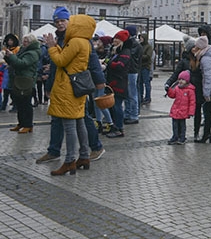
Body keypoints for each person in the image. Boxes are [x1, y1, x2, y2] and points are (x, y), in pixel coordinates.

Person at [44, 14, 95, 176]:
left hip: (67, 87)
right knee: (79, 121)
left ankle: (70, 161)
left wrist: (52, 47)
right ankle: (84, 156)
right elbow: (68, 59)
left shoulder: (75, 41)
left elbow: (60, 61)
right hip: (77, 86)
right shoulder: (85, 42)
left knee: (69, 125)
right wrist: (57, 47)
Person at [4, 33, 41, 133]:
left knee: (26, 104)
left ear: (31, 42)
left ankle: (28, 124)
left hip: (26, 80)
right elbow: (15, 61)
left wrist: (12, 56)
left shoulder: (32, 53)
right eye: (24, 41)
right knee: (19, 103)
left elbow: (22, 63)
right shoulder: (23, 50)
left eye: (26, 41)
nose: (24, 43)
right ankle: (21, 123)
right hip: (19, 79)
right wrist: (8, 57)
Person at [104, 30, 132, 138]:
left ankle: (119, 128)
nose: (115, 40)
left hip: (119, 82)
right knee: (112, 106)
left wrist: (108, 63)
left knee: (117, 106)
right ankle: (114, 126)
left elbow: (120, 66)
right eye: (115, 38)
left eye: (118, 39)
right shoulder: (115, 51)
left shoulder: (125, 52)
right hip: (112, 82)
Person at [166, 70, 196, 145]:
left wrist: (191, 112)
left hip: (183, 111)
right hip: (176, 110)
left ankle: (182, 137)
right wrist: (169, 90)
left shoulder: (190, 90)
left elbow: (192, 102)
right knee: (175, 125)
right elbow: (172, 95)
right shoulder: (177, 88)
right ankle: (175, 136)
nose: (180, 81)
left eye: (183, 79)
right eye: (179, 79)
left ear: (187, 81)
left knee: (182, 125)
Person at [123, 25, 141, 124]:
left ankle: (133, 115)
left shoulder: (133, 44)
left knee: (132, 94)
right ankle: (128, 113)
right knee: (127, 93)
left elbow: (129, 55)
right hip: (130, 70)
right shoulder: (133, 44)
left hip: (132, 71)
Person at [3, 33, 19, 112]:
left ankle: (15, 105)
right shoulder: (5, 49)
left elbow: (16, 60)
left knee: (13, 90)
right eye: (8, 40)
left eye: (11, 40)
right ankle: (3, 105)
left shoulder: (17, 49)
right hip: (7, 71)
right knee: (6, 89)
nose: (9, 42)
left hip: (13, 72)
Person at [138, 33, 153, 105]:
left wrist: (140, 56)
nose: (140, 39)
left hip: (145, 67)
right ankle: (140, 97)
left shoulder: (148, 47)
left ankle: (148, 98)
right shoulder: (139, 46)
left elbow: (148, 56)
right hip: (139, 67)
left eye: (141, 37)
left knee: (146, 83)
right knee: (140, 83)